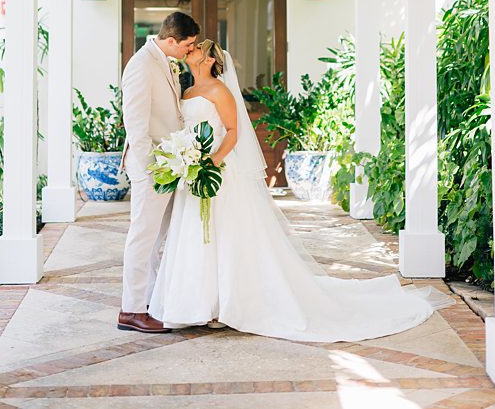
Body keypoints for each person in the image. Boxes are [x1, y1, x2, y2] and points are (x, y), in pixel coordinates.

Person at [148, 39, 443, 341]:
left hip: (219, 172)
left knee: (224, 237)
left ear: (210, 61)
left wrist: (212, 161)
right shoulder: (187, 91)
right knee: (195, 236)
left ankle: (225, 304)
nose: (191, 50)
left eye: (197, 48)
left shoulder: (220, 92)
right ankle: (198, 303)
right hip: (193, 172)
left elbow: (234, 132)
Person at [117, 11, 198, 334]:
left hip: (168, 164)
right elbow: (135, 127)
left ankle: (148, 300)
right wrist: (153, 168)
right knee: (142, 236)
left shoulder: (163, 60)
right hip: (152, 167)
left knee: (155, 239)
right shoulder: (140, 66)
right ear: (169, 40)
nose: (189, 51)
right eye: (187, 45)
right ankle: (131, 309)